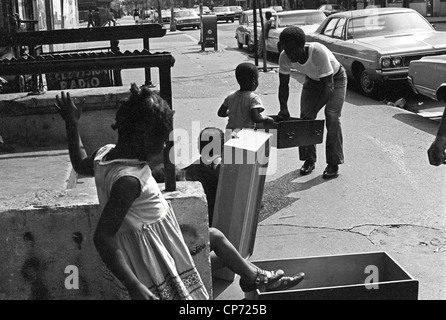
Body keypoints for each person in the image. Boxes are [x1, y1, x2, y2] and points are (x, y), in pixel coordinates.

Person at [54, 84, 304, 300]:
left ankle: (254, 276)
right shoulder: (128, 180)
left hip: (164, 242)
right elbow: (104, 237)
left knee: (214, 235)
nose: (165, 146)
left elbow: (79, 162)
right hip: (152, 261)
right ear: (143, 137)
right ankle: (255, 276)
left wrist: (71, 124)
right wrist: (135, 284)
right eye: (161, 139)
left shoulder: (105, 155)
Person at [277, 26, 347, 179]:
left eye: (293, 50)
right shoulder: (285, 56)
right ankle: (309, 160)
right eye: (286, 50)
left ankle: (333, 162)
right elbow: (283, 85)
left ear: (302, 45)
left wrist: (315, 110)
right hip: (313, 80)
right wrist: (283, 108)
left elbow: (329, 87)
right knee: (305, 117)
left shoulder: (317, 52)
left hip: (335, 79)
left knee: (332, 115)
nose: (289, 54)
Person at [218, 62, 274, 140]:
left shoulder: (230, 96)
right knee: (245, 152)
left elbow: (221, 113)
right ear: (254, 80)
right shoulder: (253, 98)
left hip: (229, 133)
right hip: (245, 135)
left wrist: (232, 112)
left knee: (230, 152)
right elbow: (256, 118)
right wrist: (266, 119)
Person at [184, 127, 224, 226]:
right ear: (223, 148)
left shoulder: (186, 173)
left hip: (199, 227)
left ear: (199, 147)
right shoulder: (231, 173)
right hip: (225, 225)